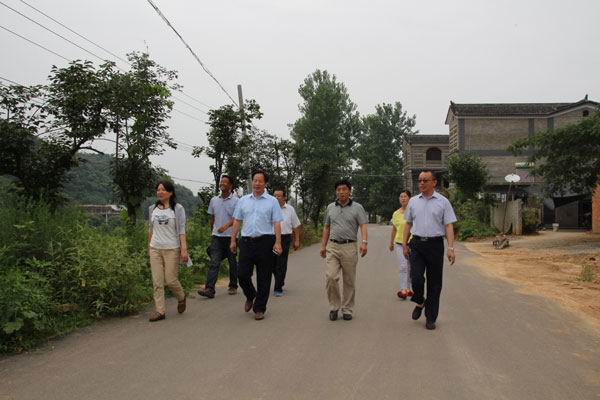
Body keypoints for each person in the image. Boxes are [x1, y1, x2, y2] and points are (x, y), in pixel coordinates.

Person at [402, 171, 457, 330]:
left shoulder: (443, 202)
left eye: (425, 180)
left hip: (435, 245)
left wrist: (450, 248)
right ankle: (420, 301)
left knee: (435, 283)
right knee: (416, 278)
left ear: (434, 182)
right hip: (417, 244)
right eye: (420, 180)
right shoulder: (413, 201)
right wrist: (404, 244)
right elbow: (408, 223)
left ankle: (431, 317)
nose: (421, 183)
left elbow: (448, 225)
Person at [230, 170, 283, 320]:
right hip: (246, 241)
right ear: (251, 182)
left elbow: (277, 222)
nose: (257, 183)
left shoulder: (272, 201)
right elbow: (237, 221)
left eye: (260, 181)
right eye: (255, 180)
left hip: (265, 242)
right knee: (242, 274)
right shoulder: (243, 200)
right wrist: (233, 240)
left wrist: (278, 242)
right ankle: (250, 294)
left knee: (264, 277)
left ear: (265, 183)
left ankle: (259, 308)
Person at [320, 179, 368, 321]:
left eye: (344, 189)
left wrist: (364, 243)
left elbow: (363, 225)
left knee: (349, 280)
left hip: (349, 247)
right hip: (333, 246)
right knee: (331, 277)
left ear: (349, 191)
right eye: (338, 189)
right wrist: (323, 245)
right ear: (336, 192)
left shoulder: (358, 207)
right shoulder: (330, 207)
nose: (341, 192)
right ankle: (334, 307)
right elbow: (326, 227)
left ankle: (347, 309)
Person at [147, 180, 188, 322]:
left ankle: (181, 297)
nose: (160, 192)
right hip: (155, 248)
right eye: (158, 189)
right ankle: (160, 311)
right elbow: (150, 229)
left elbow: (181, 230)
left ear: (170, 193)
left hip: (172, 249)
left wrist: (184, 250)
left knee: (170, 280)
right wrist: (149, 248)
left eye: (163, 190)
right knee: (157, 282)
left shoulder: (177, 209)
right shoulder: (152, 209)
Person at [198, 175, 239, 299]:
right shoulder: (214, 200)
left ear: (230, 186)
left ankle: (233, 285)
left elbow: (237, 219)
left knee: (232, 262)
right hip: (216, 236)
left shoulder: (236, 201)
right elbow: (212, 217)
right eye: (221, 181)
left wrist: (225, 226)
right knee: (214, 262)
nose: (222, 183)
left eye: (225, 182)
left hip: (231, 237)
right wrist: (212, 232)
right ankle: (209, 289)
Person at [272, 188, 301, 297]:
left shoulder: (290, 209)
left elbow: (296, 226)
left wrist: (296, 240)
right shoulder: (269, 208)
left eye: (279, 196)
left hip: (285, 238)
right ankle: (280, 280)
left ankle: (278, 288)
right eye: (274, 195)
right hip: (271, 238)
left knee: (281, 263)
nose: (276, 198)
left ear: (284, 197)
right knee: (271, 264)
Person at [389, 190, 413, 300]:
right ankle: (403, 289)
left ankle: (410, 288)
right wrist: (391, 242)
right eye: (401, 196)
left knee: (411, 267)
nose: (403, 198)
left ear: (409, 198)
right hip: (399, 243)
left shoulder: (413, 211)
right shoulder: (396, 213)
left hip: (412, 243)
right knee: (403, 266)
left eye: (405, 196)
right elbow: (394, 229)